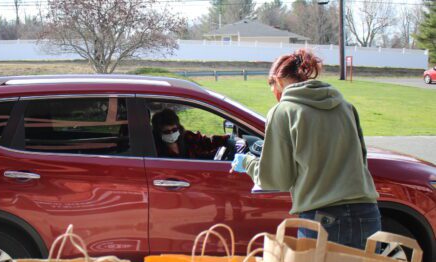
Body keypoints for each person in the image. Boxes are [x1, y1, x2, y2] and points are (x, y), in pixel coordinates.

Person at [231, 49, 380, 250]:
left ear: (278, 80)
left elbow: (277, 179)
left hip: (322, 219)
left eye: (272, 86)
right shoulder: (345, 106)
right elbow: (361, 159)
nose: (274, 93)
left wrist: (247, 163)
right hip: (368, 215)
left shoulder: (282, 112)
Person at [152, 108, 245, 159]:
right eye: (167, 131)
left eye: (174, 130)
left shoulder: (187, 137)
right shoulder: (154, 149)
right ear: (158, 132)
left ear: (178, 127)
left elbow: (207, 142)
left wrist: (228, 140)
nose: (172, 133)